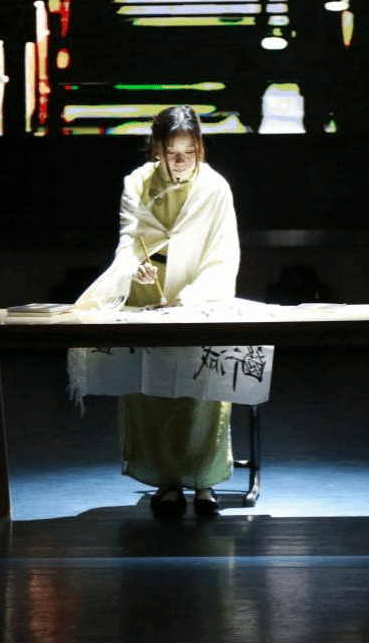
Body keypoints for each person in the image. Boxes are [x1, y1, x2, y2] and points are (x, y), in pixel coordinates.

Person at [70, 105, 240, 518]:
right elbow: (129, 241)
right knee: (152, 390)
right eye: (171, 152)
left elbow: (222, 253)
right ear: (157, 149)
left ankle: (204, 482)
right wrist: (136, 268)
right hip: (148, 298)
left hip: (199, 300)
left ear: (200, 148)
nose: (180, 161)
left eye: (188, 152)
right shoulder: (138, 183)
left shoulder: (215, 188)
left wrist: (192, 297)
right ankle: (167, 483)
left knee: (201, 392)